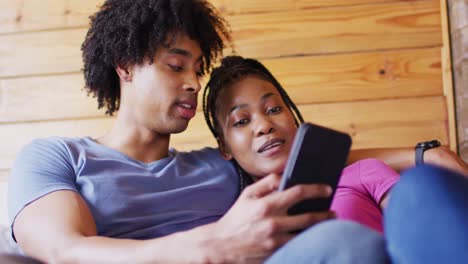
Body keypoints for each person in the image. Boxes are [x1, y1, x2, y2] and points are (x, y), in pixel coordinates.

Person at [7, 0, 391, 263]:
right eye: (176, 66)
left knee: (347, 241)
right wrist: (211, 245)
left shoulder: (221, 166)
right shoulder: (59, 157)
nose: (193, 82)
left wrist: (424, 153)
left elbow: (303, 155)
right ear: (125, 67)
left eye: (197, 70)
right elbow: (64, 252)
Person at [202, 55, 468, 262]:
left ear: (293, 119)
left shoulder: (363, 173)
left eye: (273, 109)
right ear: (224, 147)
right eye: (242, 121)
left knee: (424, 184)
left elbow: (418, 236)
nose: (263, 125)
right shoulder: (239, 226)